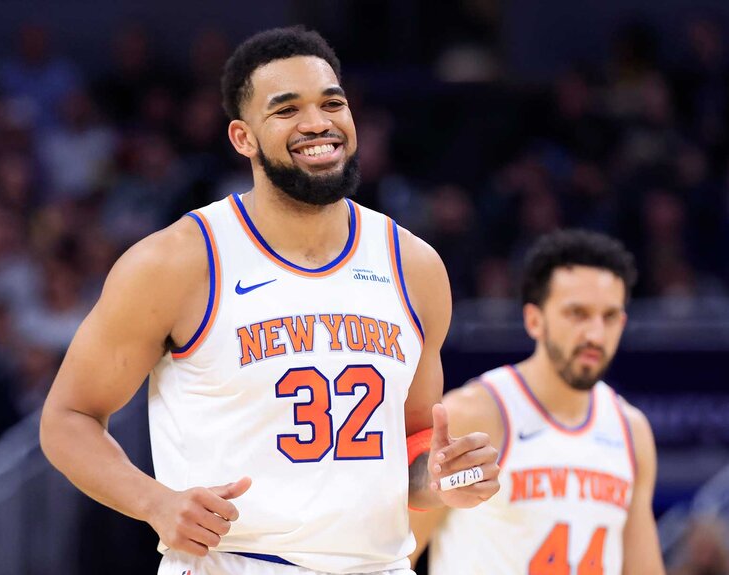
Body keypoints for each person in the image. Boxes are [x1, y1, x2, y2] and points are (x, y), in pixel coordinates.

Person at [40, 25, 500, 575]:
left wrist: (445, 479)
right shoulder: (177, 262)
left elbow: (414, 450)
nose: (317, 123)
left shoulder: (416, 266)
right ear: (243, 137)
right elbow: (68, 418)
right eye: (286, 110)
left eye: (333, 103)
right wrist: (155, 503)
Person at [409, 229, 666, 575]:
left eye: (608, 317)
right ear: (534, 319)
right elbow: (396, 554)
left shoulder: (631, 431)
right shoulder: (476, 412)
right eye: (577, 313)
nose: (594, 334)